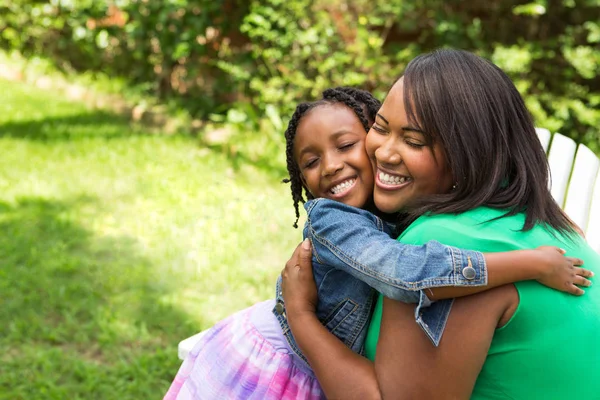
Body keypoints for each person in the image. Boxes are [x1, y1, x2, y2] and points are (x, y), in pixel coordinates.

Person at [165, 86, 588, 400]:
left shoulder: (402, 207)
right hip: (279, 362)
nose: (330, 166)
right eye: (310, 163)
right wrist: (530, 265)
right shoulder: (333, 220)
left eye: (347, 145)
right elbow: (406, 274)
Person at [281, 49, 600, 399]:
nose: (384, 152)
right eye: (381, 128)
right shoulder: (550, 224)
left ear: (469, 152)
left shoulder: (442, 240)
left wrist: (300, 316)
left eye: (414, 141)